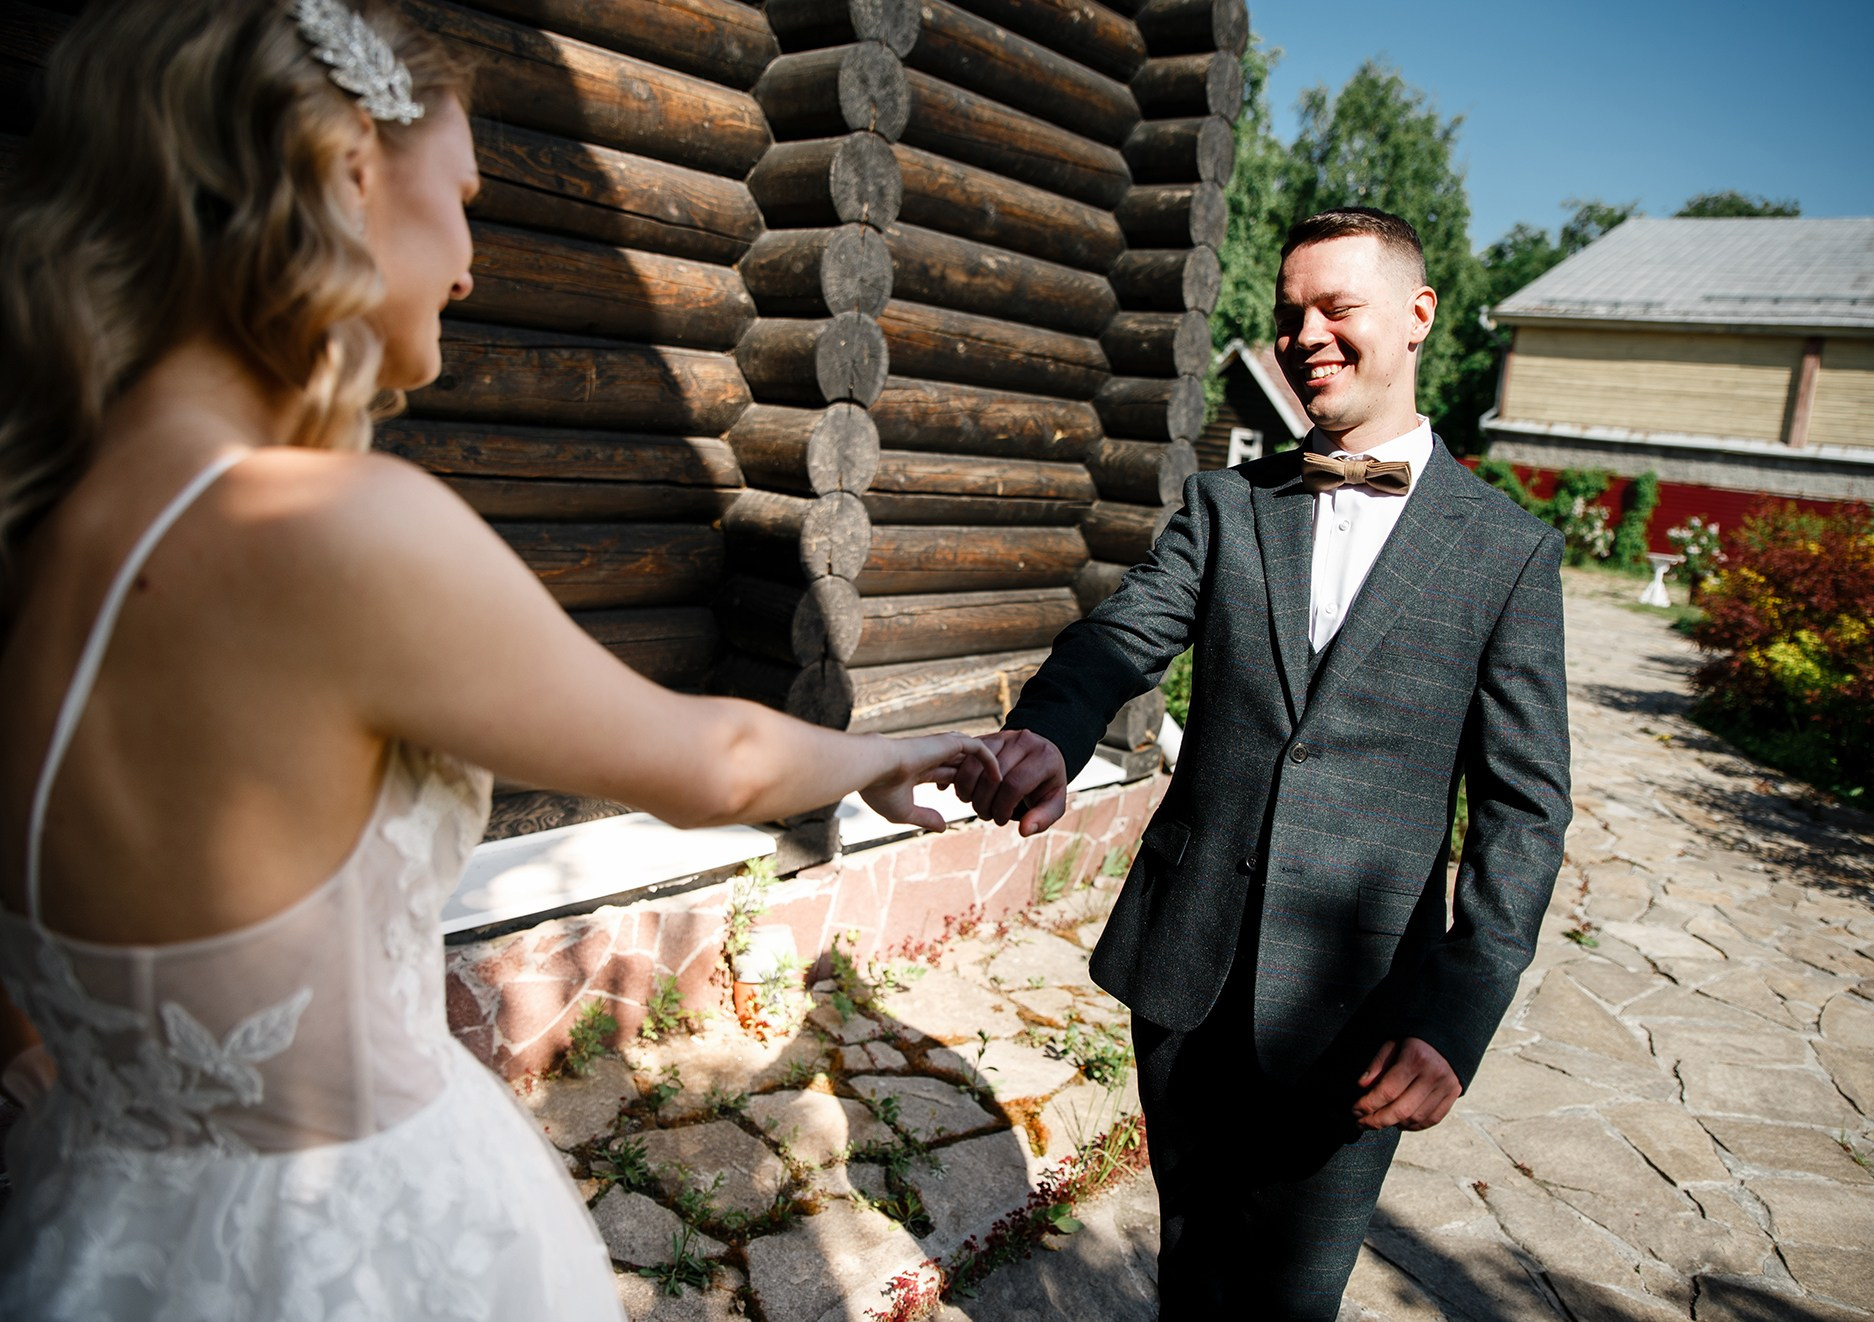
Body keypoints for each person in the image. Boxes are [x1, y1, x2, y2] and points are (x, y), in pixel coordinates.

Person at [0, 2, 996, 1317]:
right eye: (460, 199)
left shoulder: (41, 540)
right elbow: (717, 754)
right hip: (350, 1251)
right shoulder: (327, 525)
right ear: (348, 171)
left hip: (90, 1236)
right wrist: (893, 752)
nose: (468, 264)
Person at [958, 207, 1572, 1317]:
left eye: (1338, 307)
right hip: (1185, 964)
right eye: (1291, 313)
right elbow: (1122, 634)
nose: (1307, 335)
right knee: (1192, 1260)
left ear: (1418, 315)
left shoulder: (1508, 551)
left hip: (1363, 1004)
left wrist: (1454, 1017)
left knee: (1293, 1293)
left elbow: (1524, 816)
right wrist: (1047, 730)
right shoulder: (1229, 504)